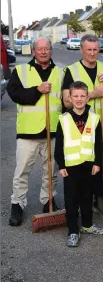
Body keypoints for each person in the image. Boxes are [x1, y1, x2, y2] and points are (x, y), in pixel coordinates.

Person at [7, 37, 63, 226]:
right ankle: (17, 205)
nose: (43, 52)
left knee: (51, 172)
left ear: (50, 51)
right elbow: (14, 94)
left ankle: (48, 200)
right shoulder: (21, 71)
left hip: (53, 130)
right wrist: (37, 90)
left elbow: (66, 99)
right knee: (22, 171)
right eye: (40, 49)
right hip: (28, 132)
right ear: (33, 51)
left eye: (46, 48)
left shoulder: (60, 72)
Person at [62, 34, 103, 215]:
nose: (92, 53)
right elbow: (67, 102)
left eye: (95, 50)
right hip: (81, 125)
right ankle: (85, 198)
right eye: (89, 50)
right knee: (86, 161)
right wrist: (92, 94)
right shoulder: (71, 70)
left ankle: (102, 194)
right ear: (81, 50)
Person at [55, 81, 103, 247]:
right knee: (71, 200)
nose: (79, 99)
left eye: (82, 96)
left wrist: (97, 162)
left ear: (87, 97)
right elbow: (59, 145)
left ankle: (87, 225)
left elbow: (98, 144)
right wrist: (61, 165)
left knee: (87, 197)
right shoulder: (63, 119)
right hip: (70, 167)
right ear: (69, 97)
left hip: (89, 165)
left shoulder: (94, 118)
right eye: (75, 96)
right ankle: (73, 231)